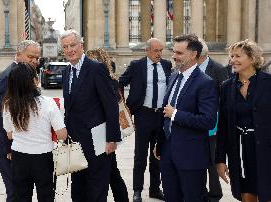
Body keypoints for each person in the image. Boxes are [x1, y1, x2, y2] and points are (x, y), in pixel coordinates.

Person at [154, 34, 218, 202]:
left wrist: (176, 114)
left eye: (179, 53)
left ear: (193, 54)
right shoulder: (174, 76)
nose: (174, 56)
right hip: (168, 153)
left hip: (191, 157)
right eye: (174, 52)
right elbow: (164, 113)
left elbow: (208, 120)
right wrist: (160, 144)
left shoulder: (205, 83)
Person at [60, 29, 121, 202]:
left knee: (97, 189)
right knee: (78, 188)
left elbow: (110, 106)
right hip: (75, 142)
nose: (70, 50)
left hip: (97, 142)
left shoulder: (96, 69)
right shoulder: (66, 73)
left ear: (81, 45)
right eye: (65, 47)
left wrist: (112, 139)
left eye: (73, 45)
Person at [215, 39, 271, 202]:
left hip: (266, 151)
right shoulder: (226, 87)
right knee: (246, 195)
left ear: (252, 58)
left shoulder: (268, 83)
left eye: (238, 56)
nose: (232, 60)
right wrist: (220, 159)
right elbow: (223, 125)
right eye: (231, 56)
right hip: (239, 152)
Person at [2, 62, 67, 201]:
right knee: (46, 196)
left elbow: (9, 134)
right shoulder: (48, 103)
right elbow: (62, 134)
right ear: (35, 80)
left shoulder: (8, 105)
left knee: (21, 196)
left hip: (19, 156)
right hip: (44, 157)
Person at [0, 40, 41, 202]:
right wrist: (9, 148)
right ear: (18, 54)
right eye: (30, 56)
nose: (34, 61)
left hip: (17, 144)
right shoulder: (9, 76)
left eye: (37, 58)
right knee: (16, 192)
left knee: (20, 191)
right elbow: (0, 115)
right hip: (5, 146)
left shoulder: (22, 74)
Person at [119, 38, 172, 202]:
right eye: (156, 50)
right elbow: (120, 82)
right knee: (140, 156)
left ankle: (155, 189)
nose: (159, 54)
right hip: (143, 115)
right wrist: (123, 106)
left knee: (157, 155)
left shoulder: (166, 65)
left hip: (161, 116)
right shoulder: (137, 66)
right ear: (147, 51)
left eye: (161, 50)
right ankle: (137, 191)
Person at [86, 48, 129, 202]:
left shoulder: (105, 79)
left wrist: (111, 138)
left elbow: (110, 108)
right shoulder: (111, 78)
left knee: (108, 173)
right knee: (112, 172)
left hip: (102, 133)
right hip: (103, 133)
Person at [198, 38, 228, 202]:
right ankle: (201, 192)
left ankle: (215, 194)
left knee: (212, 160)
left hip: (212, 125)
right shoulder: (190, 68)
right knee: (198, 161)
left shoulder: (217, 68)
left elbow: (224, 98)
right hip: (194, 123)